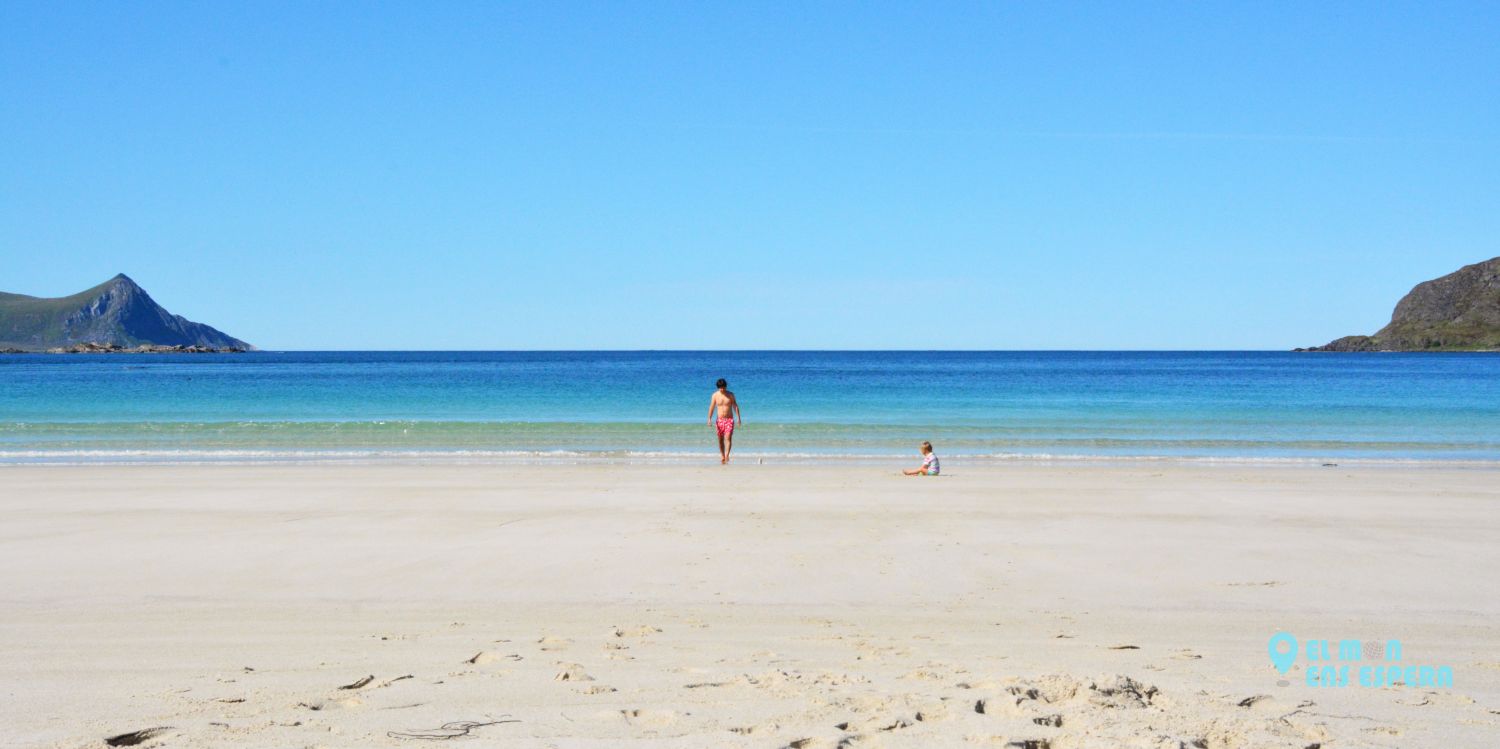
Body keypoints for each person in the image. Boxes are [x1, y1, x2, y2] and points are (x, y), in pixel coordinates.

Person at [707, 378, 742, 464]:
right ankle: (722, 455)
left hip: (729, 419)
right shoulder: (715, 395)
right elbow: (711, 407)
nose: (722, 389)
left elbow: (735, 406)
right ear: (718, 387)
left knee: (728, 437)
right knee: (720, 440)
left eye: (723, 387)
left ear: (726, 386)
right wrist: (709, 419)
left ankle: (727, 455)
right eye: (720, 388)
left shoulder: (730, 395)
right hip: (719, 420)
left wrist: (738, 418)